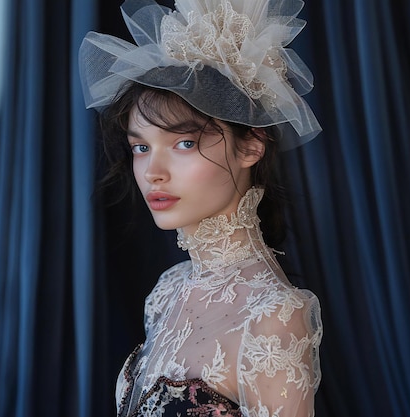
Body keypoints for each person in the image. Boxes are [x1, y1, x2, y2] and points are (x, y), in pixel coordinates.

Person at [79, 0, 323, 415]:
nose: (152, 172)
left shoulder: (276, 315)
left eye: (184, 143)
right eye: (141, 146)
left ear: (251, 146)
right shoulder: (168, 290)